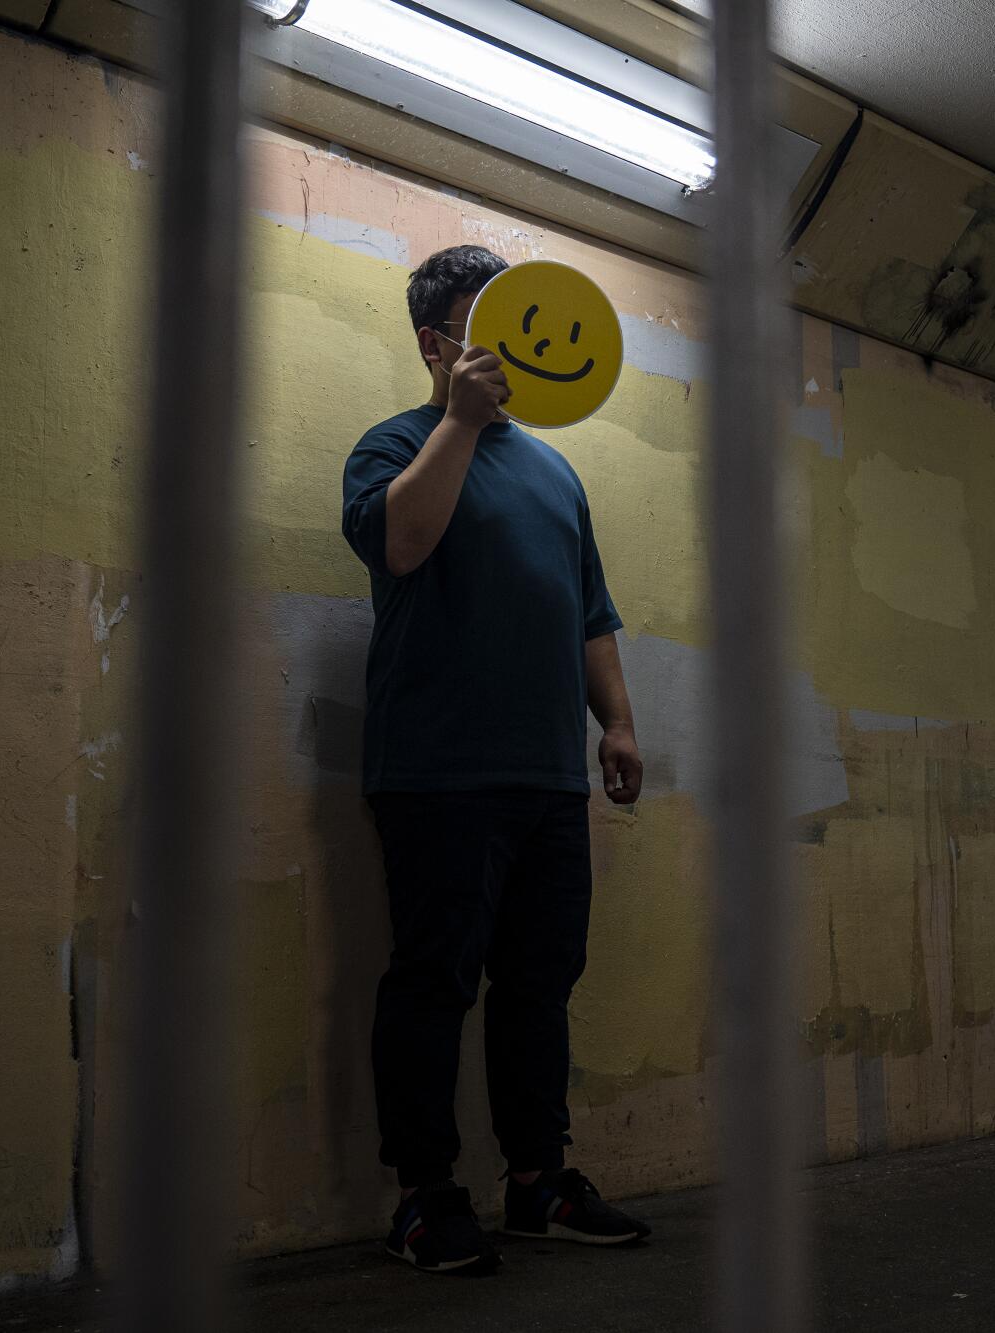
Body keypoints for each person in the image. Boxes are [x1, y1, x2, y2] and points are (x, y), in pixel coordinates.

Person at [340, 244, 652, 1275]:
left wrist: (615, 721)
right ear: (436, 344)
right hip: (436, 772)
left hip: (547, 779)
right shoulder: (391, 447)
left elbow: (589, 614)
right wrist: (461, 425)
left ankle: (535, 1183)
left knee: (539, 983)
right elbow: (401, 546)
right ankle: (425, 1198)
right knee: (434, 981)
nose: (514, 348)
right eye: (487, 327)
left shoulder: (556, 472)